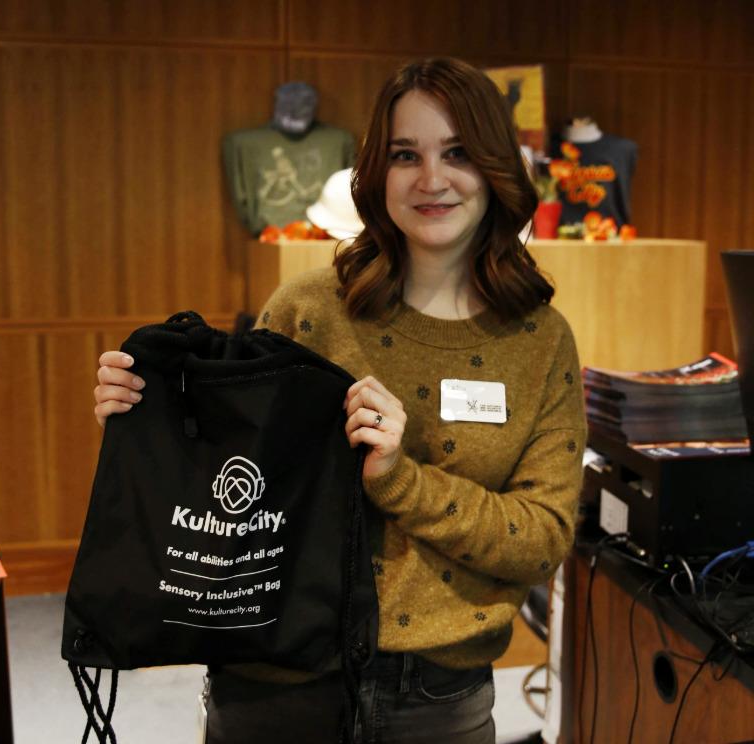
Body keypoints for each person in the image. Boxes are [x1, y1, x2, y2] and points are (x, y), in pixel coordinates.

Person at [92, 57, 586, 743]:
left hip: (439, 698)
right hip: (275, 678)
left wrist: (400, 481)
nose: (432, 179)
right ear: (377, 173)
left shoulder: (540, 342)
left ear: (497, 168)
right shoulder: (307, 309)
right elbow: (228, 485)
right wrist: (146, 422)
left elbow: (543, 539)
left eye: (458, 153)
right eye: (406, 154)